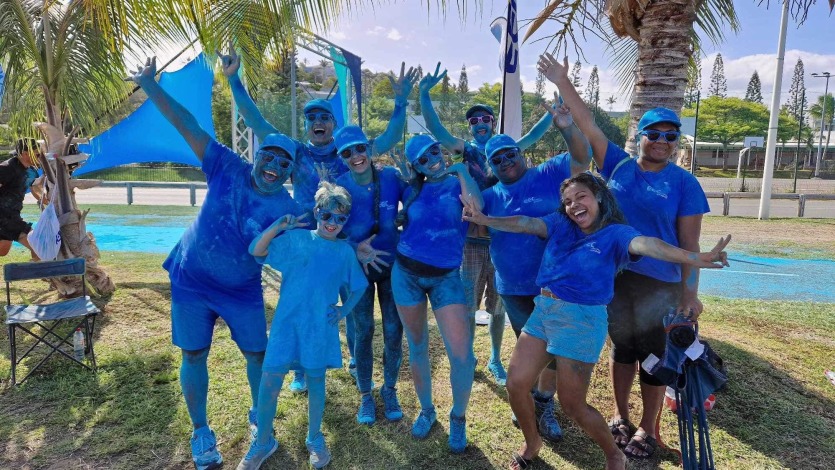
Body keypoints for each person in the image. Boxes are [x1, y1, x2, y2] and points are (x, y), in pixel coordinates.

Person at [461, 172, 730, 470]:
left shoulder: (616, 233)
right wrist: (484, 220)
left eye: (581, 197)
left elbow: (648, 244)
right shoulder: (560, 223)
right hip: (545, 309)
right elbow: (526, 223)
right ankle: (532, 442)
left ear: (599, 197)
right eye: (567, 201)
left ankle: (614, 454)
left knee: (573, 406)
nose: (573, 205)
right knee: (515, 384)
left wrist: (693, 257)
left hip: (582, 319)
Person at [129, 57, 303, 470]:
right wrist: (150, 84)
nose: (274, 167)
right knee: (193, 355)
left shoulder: (289, 208)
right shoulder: (225, 164)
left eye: (285, 163)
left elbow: (327, 233)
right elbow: (186, 123)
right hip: (191, 280)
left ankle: (261, 422)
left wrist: (358, 248)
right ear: (258, 153)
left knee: (257, 355)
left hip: (242, 290)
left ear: (291, 170)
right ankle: (201, 431)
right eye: (270, 156)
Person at [538, 52, 712, 460]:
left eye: (671, 136)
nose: (662, 142)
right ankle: (621, 416)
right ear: (640, 136)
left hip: (660, 285)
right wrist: (562, 81)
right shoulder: (617, 164)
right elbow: (587, 123)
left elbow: (690, 246)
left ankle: (649, 428)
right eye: (654, 133)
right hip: (615, 278)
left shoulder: (684, 184)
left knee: (653, 356)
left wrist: (690, 294)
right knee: (622, 349)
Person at [221, 45, 416, 393]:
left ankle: (356, 360)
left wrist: (400, 104)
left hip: (343, 243)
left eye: (324, 117)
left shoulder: (348, 153)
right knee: (300, 302)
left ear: (333, 124)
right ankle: (299, 368)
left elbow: (387, 138)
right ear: (306, 125)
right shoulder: (296, 152)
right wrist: (234, 80)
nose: (318, 122)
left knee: (348, 303)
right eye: (311, 118)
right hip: (305, 242)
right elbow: (256, 122)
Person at [418, 63, 556, 386]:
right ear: (469, 127)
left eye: (485, 119)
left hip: (502, 241)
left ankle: (495, 357)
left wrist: (555, 111)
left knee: (498, 308)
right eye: (474, 121)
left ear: (493, 123)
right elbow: (436, 129)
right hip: (470, 241)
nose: (479, 124)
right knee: (468, 305)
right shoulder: (464, 151)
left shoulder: (505, 151)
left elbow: (534, 135)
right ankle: (469, 356)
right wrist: (424, 95)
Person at [478, 99, 590, 443]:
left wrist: (566, 126)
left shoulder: (548, 173)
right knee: (529, 347)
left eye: (510, 154)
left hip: (554, 284)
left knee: (554, 347)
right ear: (490, 166)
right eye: (497, 160)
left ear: (521, 154)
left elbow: (582, 157)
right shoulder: (490, 196)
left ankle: (543, 402)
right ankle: (529, 397)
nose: (506, 162)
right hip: (512, 287)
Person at [238, 182, 367, 470]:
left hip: (319, 327)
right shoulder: (296, 239)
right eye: (327, 215)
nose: (332, 223)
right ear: (317, 211)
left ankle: (314, 438)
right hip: (286, 325)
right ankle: (263, 442)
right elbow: (256, 249)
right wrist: (277, 226)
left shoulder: (344, 252)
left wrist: (343, 310)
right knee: (270, 381)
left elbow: (359, 285)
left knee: (316, 381)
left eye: (340, 218)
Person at [392, 134, 483, 453]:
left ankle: (458, 417)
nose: (432, 159)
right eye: (423, 158)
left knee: (462, 356)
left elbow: (476, 208)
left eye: (434, 151)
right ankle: (427, 410)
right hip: (406, 274)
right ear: (416, 166)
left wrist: (461, 170)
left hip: (446, 277)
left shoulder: (459, 183)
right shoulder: (412, 189)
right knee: (417, 346)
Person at [334, 125, 411, 426]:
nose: (356, 156)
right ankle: (366, 394)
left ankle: (389, 389)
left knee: (394, 330)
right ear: (341, 157)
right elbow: (329, 231)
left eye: (359, 148)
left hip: (392, 268)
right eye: (347, 152)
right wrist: (355, 248)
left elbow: (416, 199)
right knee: (363, 331)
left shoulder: (390, 177)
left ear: (368, 148)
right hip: (358, 271)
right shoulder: (339, 188)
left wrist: (405, 211)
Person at [0, 138, 41, 259]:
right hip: (4, 217)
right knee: (37, 243)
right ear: (25, 153)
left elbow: (35, 189)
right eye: (37, 154)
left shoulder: (32, 171)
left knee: (3, 250)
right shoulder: (7, 168)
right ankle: (39, 268)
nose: (40, 157)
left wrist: (47, 202)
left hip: (13, 214)